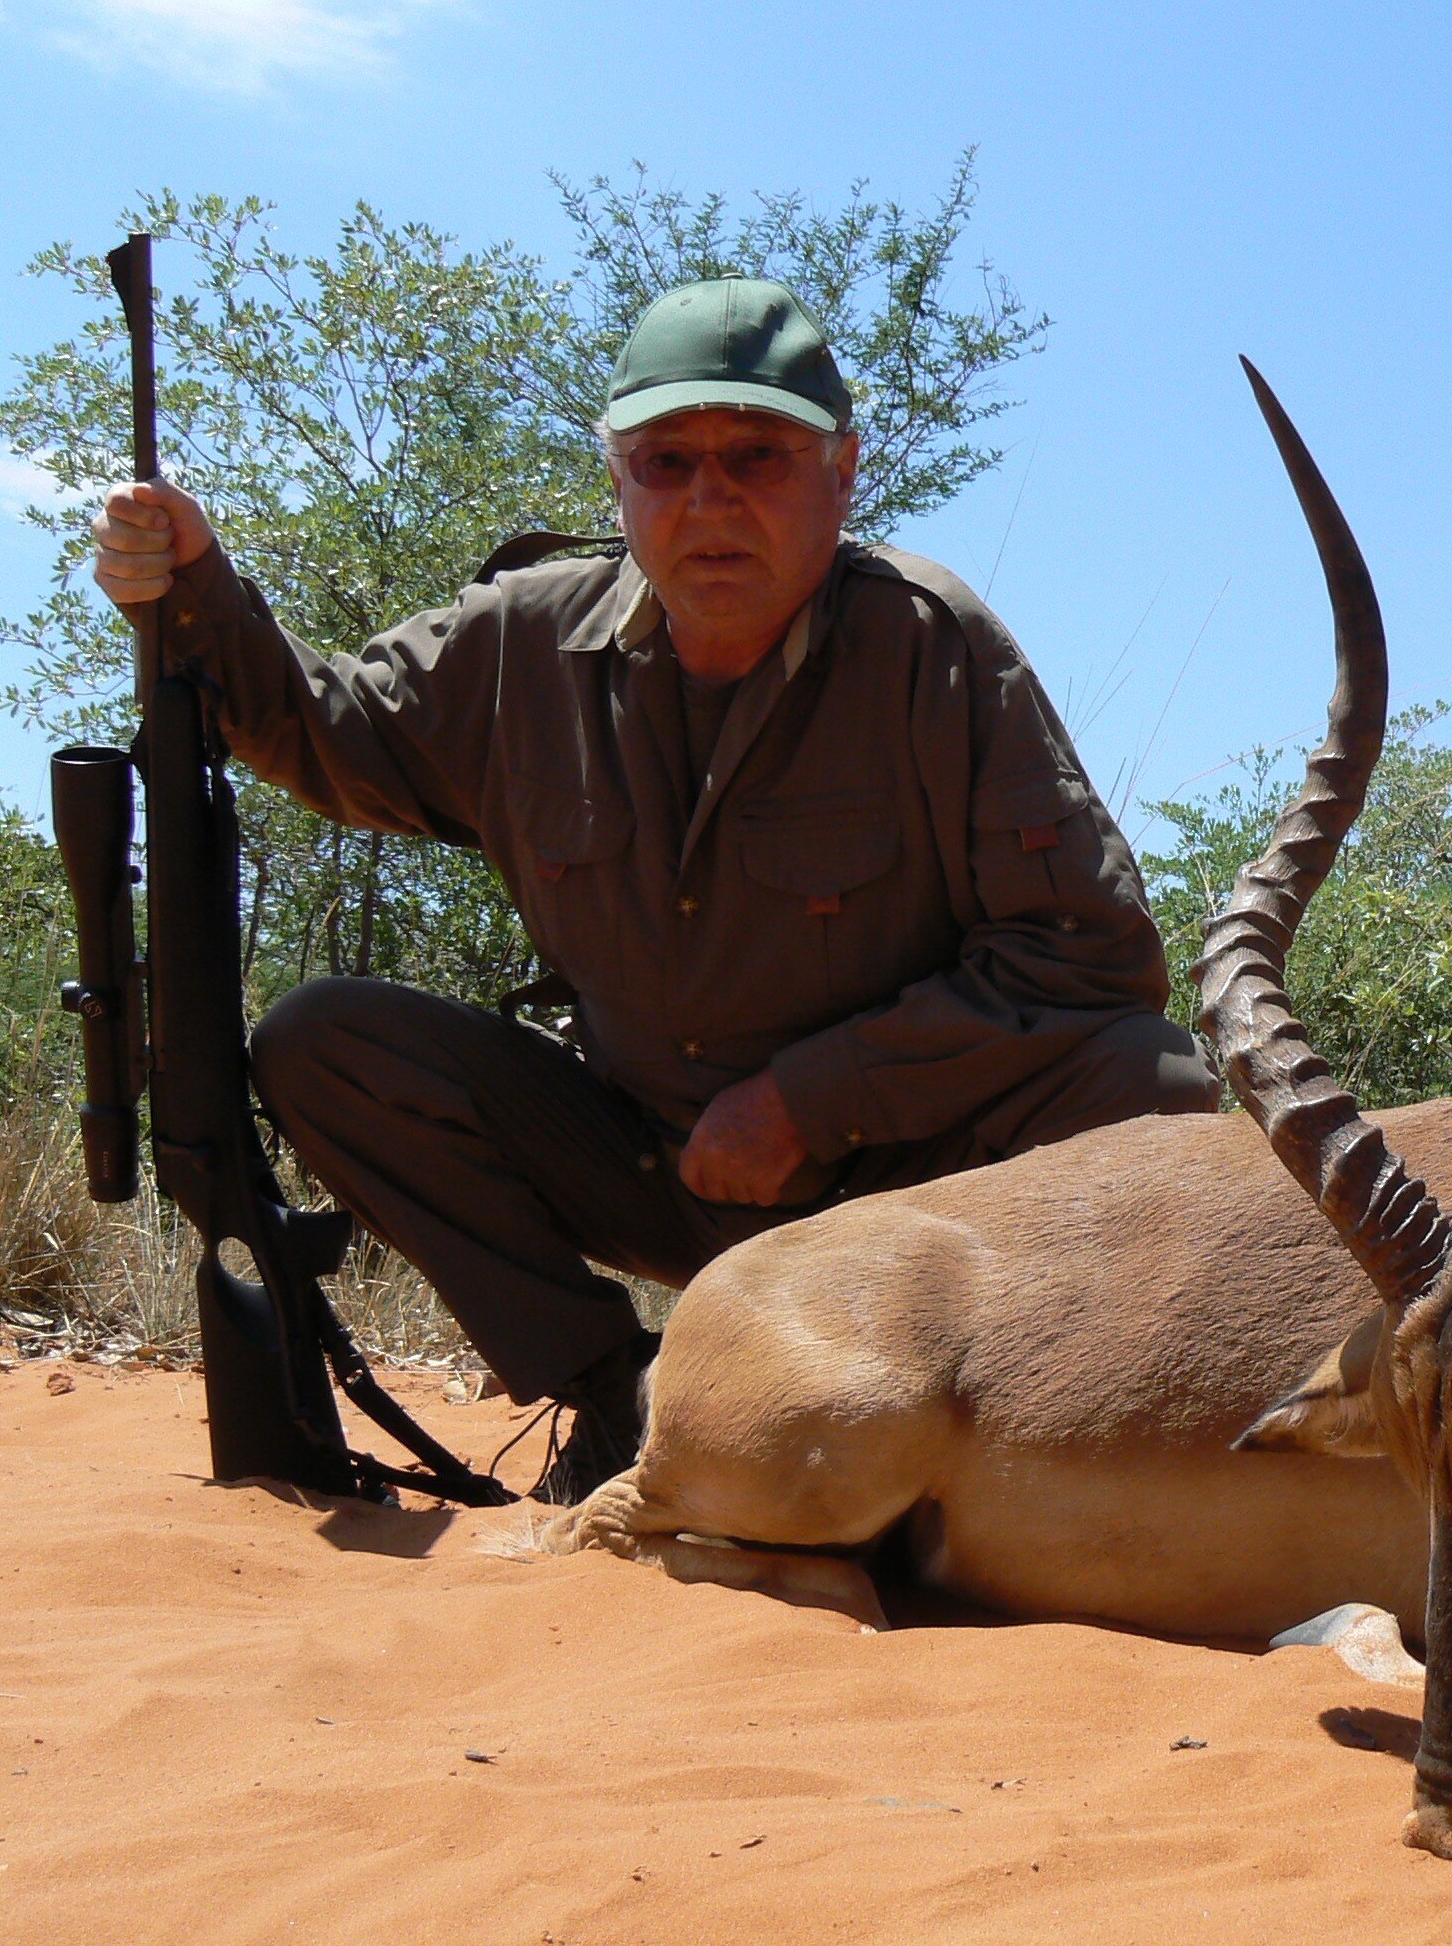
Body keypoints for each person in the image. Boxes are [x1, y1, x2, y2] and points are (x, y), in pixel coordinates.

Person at [90, 277, 1214, 1502]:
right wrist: (198, 585)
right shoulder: (518, 641)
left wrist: (812, 1101)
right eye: (665, 460)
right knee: (325, 1042)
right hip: (650, 1169)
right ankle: (622, 1397)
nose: (708, 497)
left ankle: (1052, 1430)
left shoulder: (934, 648)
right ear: (614, 477)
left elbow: (1088, 960)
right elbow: (326, 729)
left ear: (843, 473)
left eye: (756, 456)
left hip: (898, 1186)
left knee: (1149, 1082)